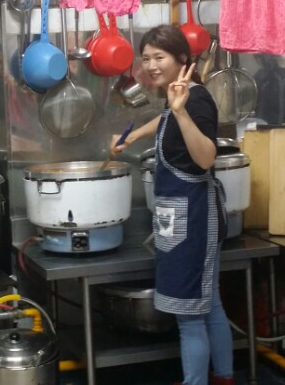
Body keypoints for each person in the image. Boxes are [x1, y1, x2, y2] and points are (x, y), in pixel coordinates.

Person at [111, 25, 232, 385]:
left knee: (189, 315)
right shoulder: (178, 95)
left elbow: (206, 157)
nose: (151, 65)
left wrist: (180, 112)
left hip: (195, 222)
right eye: (146, 58)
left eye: (159, 57)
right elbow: (165, 119)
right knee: (209, 305)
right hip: (181, 221)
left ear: (181, 58)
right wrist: (133, 135)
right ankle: (224, 378)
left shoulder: (195, 100)